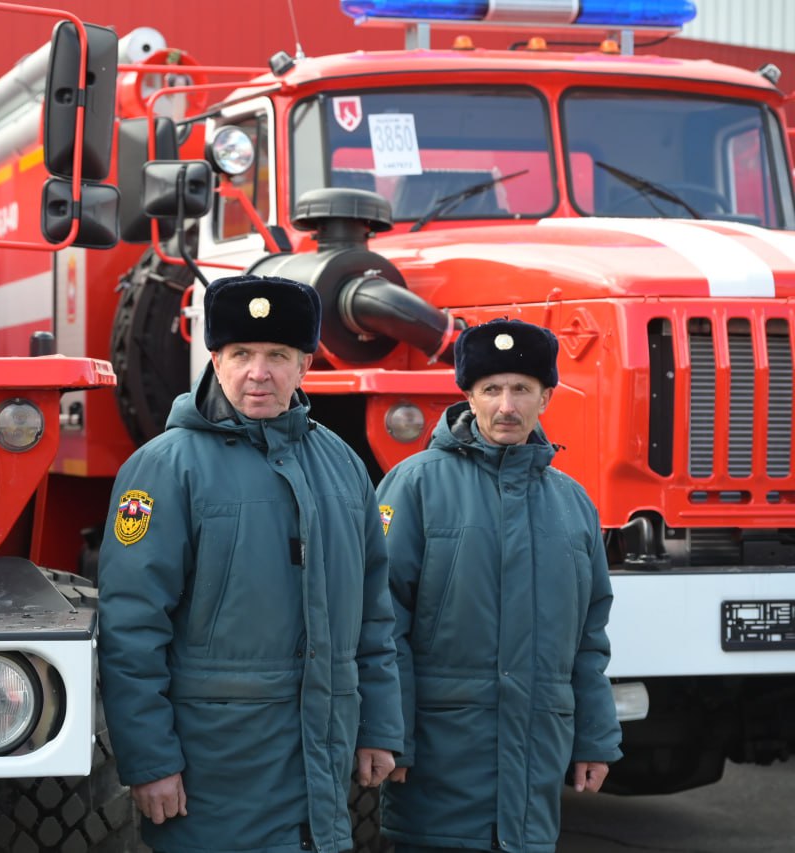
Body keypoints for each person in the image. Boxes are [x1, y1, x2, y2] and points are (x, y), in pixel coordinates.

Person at [97, 274, 404, 853]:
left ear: (305, 364)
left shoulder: (341, 465)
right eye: (241, 354)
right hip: (214, 770)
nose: (257, 372)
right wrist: (150, 760)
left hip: (322, 761)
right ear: (215, 358)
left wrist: (380, 727)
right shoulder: (165, 467)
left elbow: (374, 613)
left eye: (277, 356)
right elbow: (131, 629)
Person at [375, 318, 623, 853]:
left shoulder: (572, 502)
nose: (506, 406)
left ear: (546, 397)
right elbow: (380, 623)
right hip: (440, 772)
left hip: (534, 776)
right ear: (468, 395)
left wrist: (595, 738)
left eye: (521, 390)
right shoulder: (414, 485)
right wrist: (390, 736)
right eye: (491, 389)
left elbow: (588, 636)